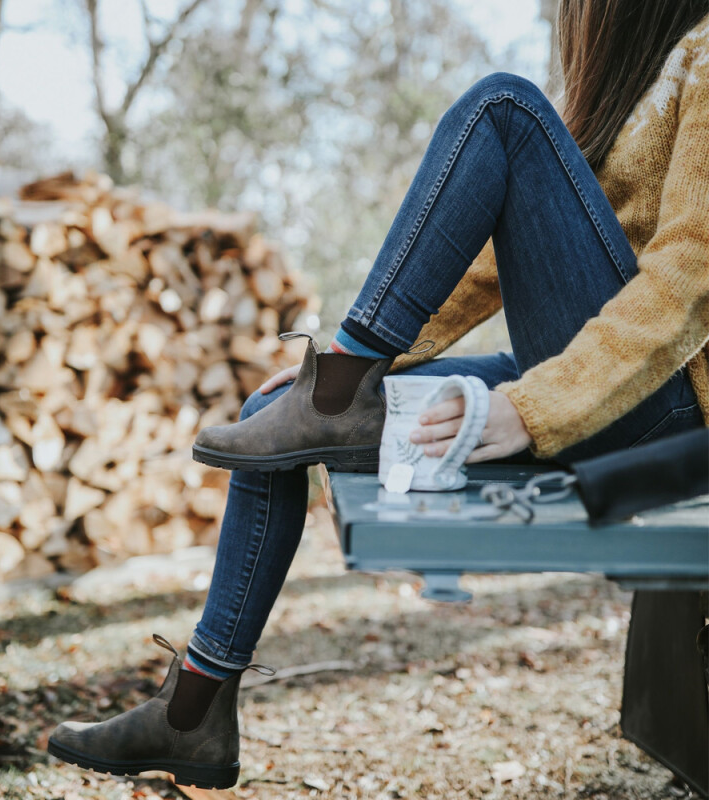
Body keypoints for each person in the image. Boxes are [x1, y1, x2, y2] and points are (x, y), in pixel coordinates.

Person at [48, 0, 709, 789]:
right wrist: (346, 363)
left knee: (503, 107)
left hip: (666, 415)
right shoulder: (647, 71)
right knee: (274, 422)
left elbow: (689, 282)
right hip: (603, 384)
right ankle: (193, 712)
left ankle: (336, 391)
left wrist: (532, 408)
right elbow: (499, 266)